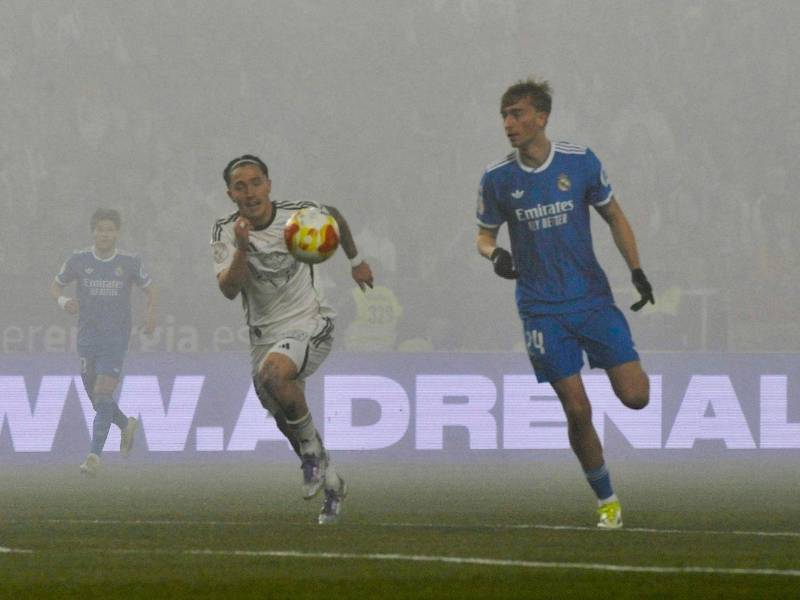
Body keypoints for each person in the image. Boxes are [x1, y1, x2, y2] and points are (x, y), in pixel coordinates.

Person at [476, 79, 655, 529]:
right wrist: (494, 254)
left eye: (517, 114)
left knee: (636, 397)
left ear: (542, 117)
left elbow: (614, 215)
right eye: (504, 115)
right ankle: (607, 499)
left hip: (592, 300)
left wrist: (635, 270)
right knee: (577, 408)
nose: (508, 124)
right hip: (541, 309)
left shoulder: (580, 162)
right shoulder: (497, 178)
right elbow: (483, 234)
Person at [212, 154, 373, 525]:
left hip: (311, 323)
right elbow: (228, 289)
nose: (249, 192)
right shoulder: (224, 231)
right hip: (264, 336)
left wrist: (356, 260)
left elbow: (334, 214)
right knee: (283, 413)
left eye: (255, 182)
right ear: (230, 193)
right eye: (240, 186)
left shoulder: (299, 215)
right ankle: (331, 482)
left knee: (274, 375)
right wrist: (242, 247)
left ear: (268, 184)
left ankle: (312, 456)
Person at [51, 208, 157, 476]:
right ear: (93, 232)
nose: (104, 234)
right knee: (97, 398)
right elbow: (55, 286)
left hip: (116, 338)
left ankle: (93, 456)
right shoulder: (78, 260)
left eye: (109, 230)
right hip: (87, 338)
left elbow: (150, 289)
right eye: (100, 229)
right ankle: (125, 424)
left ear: (117, 233)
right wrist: (63, 302)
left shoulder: (130, 262)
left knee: (102, 394)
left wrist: (151, 315)